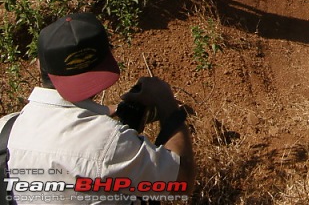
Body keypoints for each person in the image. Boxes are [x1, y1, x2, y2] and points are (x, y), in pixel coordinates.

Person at [2, 12, 195, 202]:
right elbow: (182, 183)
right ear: (106, 60)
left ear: (38, 65)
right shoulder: (109, 142)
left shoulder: (6, 128)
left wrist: (110, 112)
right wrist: (166, 102)